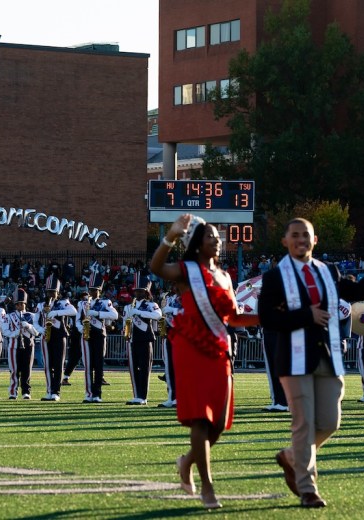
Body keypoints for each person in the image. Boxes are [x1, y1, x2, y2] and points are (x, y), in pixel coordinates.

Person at [258, 217, 364, 508]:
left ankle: (292, 456)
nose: (301, 240)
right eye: (294, 235)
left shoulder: (328, 271)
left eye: (306, 235)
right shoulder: (275, 277)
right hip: (294, 358)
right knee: (304, 424)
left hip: (328, 355)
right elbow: (267, 319)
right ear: (285, 241)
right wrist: (305, 316)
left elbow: (359, 293)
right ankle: (307, 488)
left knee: (331, 423)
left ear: (315, 240)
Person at [150, 213, 259, 509]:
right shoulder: (186, 271)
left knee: (219, 425)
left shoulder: (225, 276)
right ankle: (207, 487)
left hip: (219, 348)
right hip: (191, 347)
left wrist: (268, 316)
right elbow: (156, 267)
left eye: (219, 237)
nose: (218, 241)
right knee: (200, 417)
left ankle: (186, 461)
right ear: (197, 242)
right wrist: (170, 236)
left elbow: (233, 317)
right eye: (211, 236)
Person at [76, 273, 118, 403]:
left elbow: (115, 315)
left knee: (98, 365)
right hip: (86, 334)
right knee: (88, 365)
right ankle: (88, 393)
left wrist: (97, 313)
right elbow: (77, 320)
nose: (92, 292)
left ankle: (97, 394)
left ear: (100, 290)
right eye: (91, 290)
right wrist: (81, 328)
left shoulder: (105, 302)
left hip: (99, 334)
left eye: (95, 290)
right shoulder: (82, 304)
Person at [34, 277, 76, 401]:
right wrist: (41, 330)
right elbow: (35, 321)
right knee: (47, 365)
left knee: (58, 365)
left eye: (53, 291)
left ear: (58, 292)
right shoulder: (40, 305)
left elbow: (73, 311)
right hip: (46, 336)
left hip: (59, 336)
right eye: (49, 291)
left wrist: (56, 313)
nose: (51, 294)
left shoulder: (62, 302)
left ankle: (56, 392)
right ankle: (49, 390)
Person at [124, 275, 162, 405]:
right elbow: (126, 322)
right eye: (136, 291)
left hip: (145, 339)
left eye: (140, 291)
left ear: (146, 292)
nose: (137, 293)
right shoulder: (130, 306)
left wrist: (140, 313)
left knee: (144, 368)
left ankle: (143, 397)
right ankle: (136, 395)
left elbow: (158, 315)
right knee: (134, 368)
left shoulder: (151, 304)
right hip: (133, 339)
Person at [3, 288, 38, 399]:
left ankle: (26, 391)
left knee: (27, 369)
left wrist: (28, 326)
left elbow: (36, 332)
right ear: (15, 304)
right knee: (14, 370)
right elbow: (5, 331)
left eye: (22, 304)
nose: (20, 306)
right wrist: (16, 332)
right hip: (14, 345)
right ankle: (13, 391)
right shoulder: (9, 316)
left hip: (28, 344)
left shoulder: (31, 316)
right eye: (18, 304)